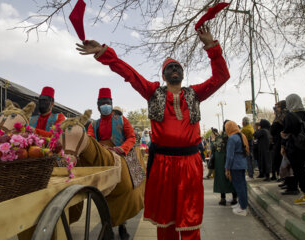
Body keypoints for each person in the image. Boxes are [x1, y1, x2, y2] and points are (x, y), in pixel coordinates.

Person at [76, 24, 230, 239]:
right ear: (163, 74)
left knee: (190, 218)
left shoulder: (195, 94)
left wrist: (212, 46)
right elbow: (129, 73)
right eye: (170, 68)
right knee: (164, 221)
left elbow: (221, 76)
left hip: (190, 165)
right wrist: (104, 52)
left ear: (183, 74)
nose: (174, 70)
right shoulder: (153, 92)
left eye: (178, 67)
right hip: (163, 165)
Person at [87, 88, 137, 239]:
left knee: (128, 185)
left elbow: (132, 137)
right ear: (97, 106)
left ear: (112, 103)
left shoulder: (122, 120)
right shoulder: (93, 124)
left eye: (107, 102)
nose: (105, 105)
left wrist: (121, 149)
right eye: (102, 103)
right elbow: (90, 140)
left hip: (120, 155)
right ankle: (106, 224)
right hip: (103, 160)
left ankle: (123, 224)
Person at [281, 94, 305, 204]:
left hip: (294, 148)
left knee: (299, 171)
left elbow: (286, 132)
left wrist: (282, 135)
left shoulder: (290, 116)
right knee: (303, 170)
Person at [224, 121, 249, 217]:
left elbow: (230, 156)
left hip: (235, 165)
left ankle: (243, 208)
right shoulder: (241, 135)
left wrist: (227, 168)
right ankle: (243, 204)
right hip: (242, 163)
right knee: (243, 186)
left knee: (239, 186)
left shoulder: (232, 138)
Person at [212, 122, 237, 206]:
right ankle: (234, 198)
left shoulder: (218, 138)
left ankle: (223, 199)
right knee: (232, 179)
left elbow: (213, 148)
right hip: (231, 160)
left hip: (219, 162)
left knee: (221, 179)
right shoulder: (233, 137)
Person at [270, 101, 288, 181]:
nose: (276, 109)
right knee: (278, 159)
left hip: (282, 140)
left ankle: (283, 177)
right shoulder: (279, 116)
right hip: (279, 140)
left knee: (280, 159)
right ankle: (283, 178)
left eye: (277, 107)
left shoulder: (284, 115)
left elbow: (280, 125)